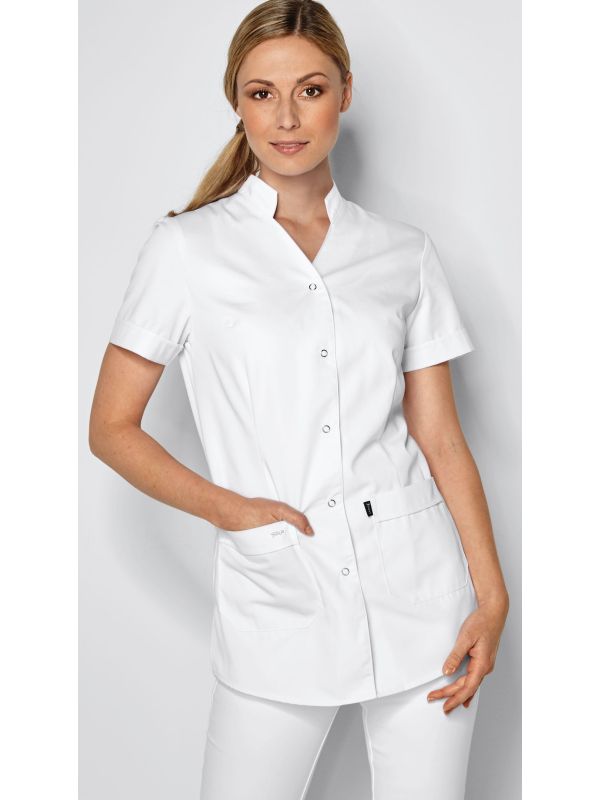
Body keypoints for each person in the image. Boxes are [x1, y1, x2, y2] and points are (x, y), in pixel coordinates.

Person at [89, 1, 509, 797]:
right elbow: (111, 428)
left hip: (424, 600)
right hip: (279, 600)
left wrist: (491, 599)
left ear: (345, 92)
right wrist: (233, 511)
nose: (286, 117)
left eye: (310, 90)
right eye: (262, 94)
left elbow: (441, 438)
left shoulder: (404, 253)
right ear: (236, 101)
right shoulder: (185, 250)